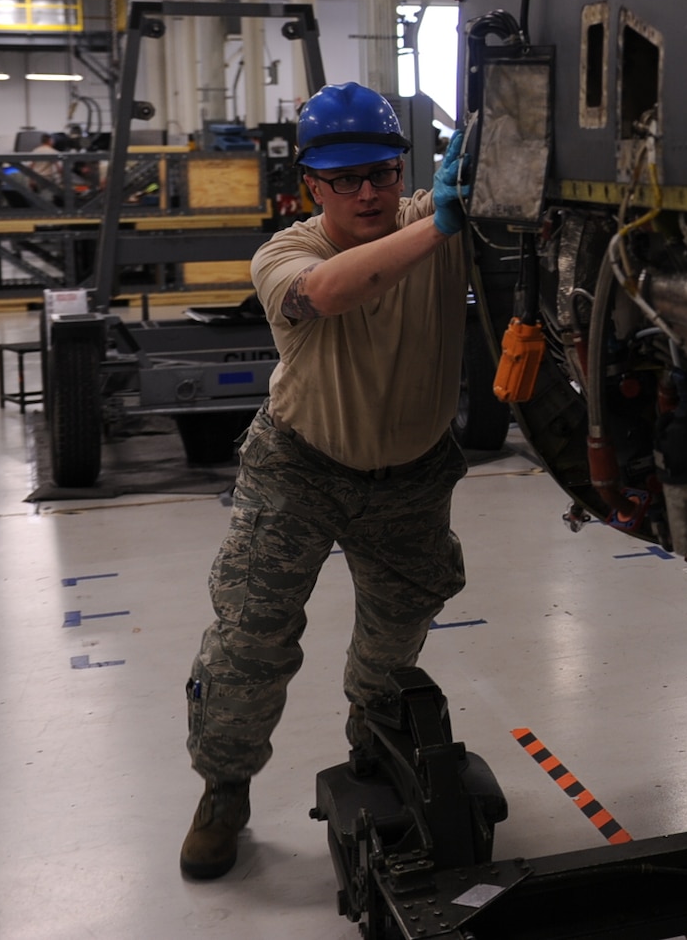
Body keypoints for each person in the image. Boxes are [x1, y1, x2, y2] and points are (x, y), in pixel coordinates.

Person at [179, 83, 474, 880]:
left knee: (394, 636)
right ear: (313, 183)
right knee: (251, 634)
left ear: (402, 167)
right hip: (299, 468)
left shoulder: (442, 222)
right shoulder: (286, 253)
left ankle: (371, 745)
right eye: (346, 179)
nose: (369, 192)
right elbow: (335, 291)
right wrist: (445, 224)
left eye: (381, 173)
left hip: (411, 475)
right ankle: (224, 787)